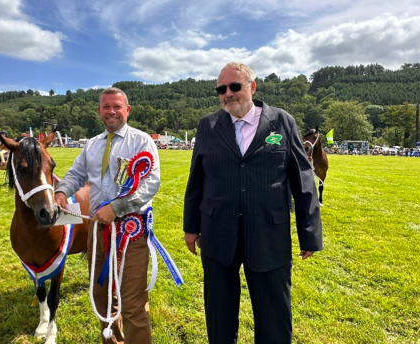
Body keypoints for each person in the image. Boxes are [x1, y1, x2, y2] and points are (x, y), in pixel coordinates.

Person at [183, 62, 323, 344]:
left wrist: (309, 233)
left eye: (235, 86)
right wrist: (191, 226)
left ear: (252, 87)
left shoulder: (282, 122)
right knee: (219, 316)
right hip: (218, 232)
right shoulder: (208, 125)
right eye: (221, 89)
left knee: (274, 316)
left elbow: (303, 178)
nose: (228, 94)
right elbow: (196, 179)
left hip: (268, 234)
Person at [54, 87, 160, 344]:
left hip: (130, 232)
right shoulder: (91, 144)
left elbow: (151, 182)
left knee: (132, 302)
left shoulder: (141, 140)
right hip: (97, 232)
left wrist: (118, 208)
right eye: (106, 107)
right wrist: (60, 192)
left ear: (127, 110)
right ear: (99, 111)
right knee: (101, 297)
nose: (111, 111)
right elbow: (75, 175)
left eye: (117, 106)